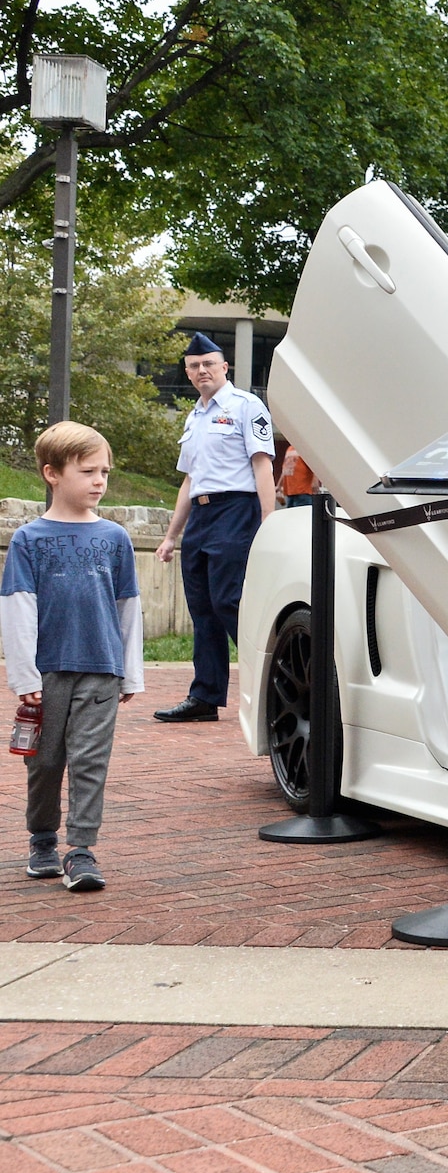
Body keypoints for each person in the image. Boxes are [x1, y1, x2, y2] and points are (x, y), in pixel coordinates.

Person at [2, 424, 144, 892]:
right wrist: (23, 673)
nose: (100, 480)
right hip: (47, 672)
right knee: (44, 763)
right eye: (87, 471)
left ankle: (81, 851)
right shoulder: (29, 539)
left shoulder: (115, 538)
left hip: (101, 669)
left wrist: (130, 673)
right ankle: (42, 839)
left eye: (104, 471)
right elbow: (18, 607)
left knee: (89, 761)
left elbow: (128, 606)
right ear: (52, 474)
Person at [154, 333, 276, 722]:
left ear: (225, 367)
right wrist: (172, 536)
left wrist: (267, 521)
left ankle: (275, 678)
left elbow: (262, 466)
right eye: (194, 365)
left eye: (208, 363)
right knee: (203, 608)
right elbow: (190, 481)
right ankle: (205, 697)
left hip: (236, 510)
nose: (201, 370)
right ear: (188, 373)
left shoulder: (246, 406)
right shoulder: (195, 416)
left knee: (228, 600)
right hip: (202, 519)